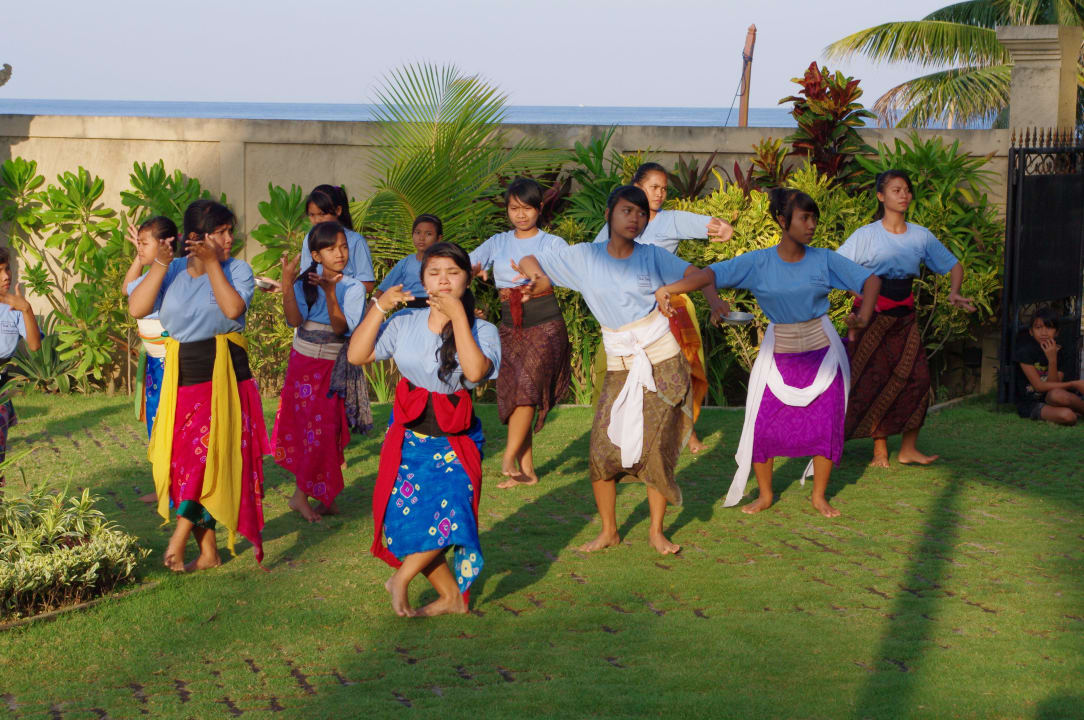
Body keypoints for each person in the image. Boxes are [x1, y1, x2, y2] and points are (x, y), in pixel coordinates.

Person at [515, 185, 724, 555]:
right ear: (610, 213)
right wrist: (534, 277)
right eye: (628, 210)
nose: (635, 219)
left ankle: (656, 532)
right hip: (619, 362)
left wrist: (669, 289)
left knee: (657, 449)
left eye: (641, 213)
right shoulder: (584, 257)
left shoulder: (652, 257)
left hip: (662, 360)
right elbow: (532, 258)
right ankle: (609, 531)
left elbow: (702, 276)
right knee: (602, 449)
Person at [656, 189, 880, 518]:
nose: (811, 225)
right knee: (764, 427)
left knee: (825, 425)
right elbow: (709, 274)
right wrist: (674, 290)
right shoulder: (758, 262)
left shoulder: (825, 259)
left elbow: (871, 280)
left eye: (814, 218)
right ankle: (764, 495)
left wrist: (863, 317)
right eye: (805, 218)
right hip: (779, 356)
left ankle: (819, 496)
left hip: (823, 353)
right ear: (782, 220)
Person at [348, 242, 500, 617]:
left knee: (452, 513)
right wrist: (380, 305)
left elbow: (476, 373)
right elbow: (357, 355)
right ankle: (450, 598)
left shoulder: (484, 329)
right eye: (434, 273)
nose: (444, 280)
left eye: (453, 272)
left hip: (456, 440)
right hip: (408, 438)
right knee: (408, 521)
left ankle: (401, 578)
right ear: (422, 280)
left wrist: (459, 319)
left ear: (467, 278)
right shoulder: (403, 324)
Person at [129, 199, 270, 572]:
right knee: (182, 464)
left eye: (229, 231)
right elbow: (138, 308)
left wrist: (211, 266)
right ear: (194, 238)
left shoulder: (236, 269)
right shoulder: (171, 270)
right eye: (221, 232)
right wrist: (159, 262)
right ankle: (208, 553)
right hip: (182, 379)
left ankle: (178, 538)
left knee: (203, 459)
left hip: (226, 380)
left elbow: (233, 310)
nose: (229, 239)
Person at [593, 162, 734, 453]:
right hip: (627, 309)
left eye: (663, 188)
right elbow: (595, 261)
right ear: (637, 186)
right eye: (653, 187)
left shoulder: (670, 220)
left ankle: (688, 432)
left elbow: (707, 224)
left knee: (683, 368)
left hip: (671, 304)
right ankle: (624, 433)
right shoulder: (617, 222)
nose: (659, 194)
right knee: (619, 371)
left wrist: (723, 226)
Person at [837, 170, 975, 467]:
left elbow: (953, 265)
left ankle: (908, 449)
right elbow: (837, 266)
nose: (903, 195)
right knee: (874, 379)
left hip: (904, 317)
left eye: (907, 190)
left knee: (918, 380)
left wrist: (954, 292)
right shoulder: (866, 235)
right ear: (881, 196)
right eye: (896, 190)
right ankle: (879, 451)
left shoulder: (920, 235)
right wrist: (859, 296)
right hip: (871, 316)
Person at [470, 177, 572, 488]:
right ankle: (526, 471)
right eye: (514, 208)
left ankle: (507, 457)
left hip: (545, 325)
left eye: (527, 208)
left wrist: (533, 276)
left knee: (527, 391)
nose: (521, 215)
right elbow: (466, 265)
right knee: (516, 396)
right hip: (509, 328)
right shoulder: (498, 242)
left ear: (540, 209)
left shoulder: (552, 244)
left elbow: (564, 274)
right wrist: (475, 272)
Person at [272, 221, 369, 522]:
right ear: (315, 255)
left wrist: (331, 293)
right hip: (302, 367)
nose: (339, 253)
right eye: (330, 248)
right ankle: (302, 496)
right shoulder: (304, 284)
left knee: (328, 430)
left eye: (343, 246)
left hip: (333, 367)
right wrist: (288, 284)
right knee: (310, 432)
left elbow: (341, 328)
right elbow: (293, 320)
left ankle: (323, 495)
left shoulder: (353, 288)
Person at [122, 216, 178, 504]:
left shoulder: (173, 275)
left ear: (166, 244)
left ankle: (175, 489)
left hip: (173, 363)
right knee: (155, 424)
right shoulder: (149, 276)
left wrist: (153, 263)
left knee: (172, 426)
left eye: (145, 243)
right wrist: (139, 256)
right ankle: (162, 485)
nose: (140, 247)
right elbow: (127, 290)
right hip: (156, 364)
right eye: (139, 243)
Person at [0, 247, 42, 494]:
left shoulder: (15, 307)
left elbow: (35, 346)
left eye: (7, 270)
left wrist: (26, 309)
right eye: (0, 272)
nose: (6, 276)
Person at [1013, 306, 1084, 425]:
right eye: (1038, 327)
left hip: (1052, 397)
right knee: (1068, 416)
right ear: (1031, 331)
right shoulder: (1024, 353)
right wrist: (1074, 384)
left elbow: (1055, 387)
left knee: (1058, 395)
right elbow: (1039, 387)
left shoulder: (1062, 352)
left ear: (1056, 332)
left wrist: (1052, 359)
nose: (1044, 332)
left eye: (1049, 327)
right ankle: (1071, 411)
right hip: (1031, 402)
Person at [299, 185, 376, 293]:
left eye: (322, 214)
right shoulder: (309, 239)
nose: (317, 220)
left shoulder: (356, 241)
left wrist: (334, 284)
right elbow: (304, 278)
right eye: (312, 215)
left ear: (338, 210)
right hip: (317, 308)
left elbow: (368, 285)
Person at [372, 214, 442, 309]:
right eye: (417, 232)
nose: (421, 238)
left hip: (439, 310)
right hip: (411, 313)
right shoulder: (405, 264)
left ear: (439, 238)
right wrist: (366, 318)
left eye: (428, 234)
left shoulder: (445, 263)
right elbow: (381, 292)